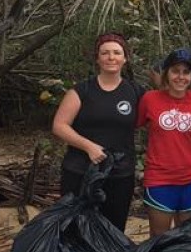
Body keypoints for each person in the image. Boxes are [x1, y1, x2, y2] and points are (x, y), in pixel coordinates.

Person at [51, 33, 144, 230]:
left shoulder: (135, 92)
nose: (111, 57)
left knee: (113, 227)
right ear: (97, 58)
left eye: (117, 53)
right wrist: (88, 147)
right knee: (74, 227)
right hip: (80, 171)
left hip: (120, 173)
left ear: (125, 58)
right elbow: (59, 126)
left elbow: (160, 112)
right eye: (105, 53)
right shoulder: (81, 91)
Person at [138, 49, 191, 237]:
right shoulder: (150, 99)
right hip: (160, 179)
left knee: (188, 238)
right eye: (175, 71)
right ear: (166, 73)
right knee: (159, 239)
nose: (180, 77)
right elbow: (135, 125)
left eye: (186, 72)